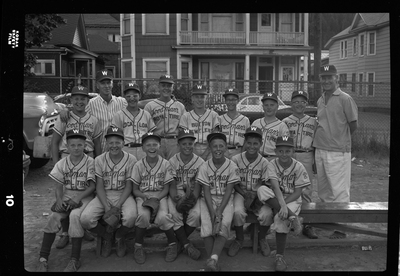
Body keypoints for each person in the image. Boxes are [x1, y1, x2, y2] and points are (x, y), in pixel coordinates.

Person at [37, 129, 95, 272]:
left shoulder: (90, 162)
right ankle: (43, 259)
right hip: (67, 194)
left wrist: (78, 198)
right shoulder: (62, 163)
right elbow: (58, 186)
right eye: (73, 145)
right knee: (53, 217)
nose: (76, 148)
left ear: (85, 146)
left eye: (79, 145)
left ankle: (74, 259)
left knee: (75, 216)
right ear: (67, 147)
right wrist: (58, 200)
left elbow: (92, 186)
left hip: (85, 195)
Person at [313, 64, 358, 239]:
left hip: (338, 151)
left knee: (339, 191)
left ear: (336, 78)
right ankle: (328, 222)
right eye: (323, 77)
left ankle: (341, 228)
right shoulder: (320, 99)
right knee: (324, 191)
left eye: (329, 77)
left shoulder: (345, 99)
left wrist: (339, 139)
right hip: (320, 149)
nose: (326, 80)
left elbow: (353, 125)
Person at [80, 127, 138, 258]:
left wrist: (117, 207)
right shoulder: (99, 159)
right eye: (111, 142)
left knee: (131, 218)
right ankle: (106, 235)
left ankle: (119, 236)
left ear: (123, 143)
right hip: (104, 194)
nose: (114, 145)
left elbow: (129, 186)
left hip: (124, 194)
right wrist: (107, 207)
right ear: (106, 143)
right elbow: (99, 186)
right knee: (85, 219)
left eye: (117, 142)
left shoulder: (131, 159)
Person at [256, 136, 310, 271]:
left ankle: (279, 256)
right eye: (281, 151)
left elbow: (298, 193)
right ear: (276, 151)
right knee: (262, 191)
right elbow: (273, 187)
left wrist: (282, 207)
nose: (284, 154)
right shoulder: (272, 164)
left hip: (291, 199)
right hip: (275, 197)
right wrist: (283, 206)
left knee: (279, 217)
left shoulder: (299, 166)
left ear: (292, 151)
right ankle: (292, 217)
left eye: (287, 151)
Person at [129, 132, 179, 264]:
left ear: (159, 146)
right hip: (143, 196)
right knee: (143, 216)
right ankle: (138, 246)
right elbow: (135, 190)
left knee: (163, 217)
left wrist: (157, 198)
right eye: (148, 145)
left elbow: (167, 188)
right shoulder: (138, 165)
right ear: (143, 148)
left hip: (160, 195)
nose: (152, 147)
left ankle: (173, 245)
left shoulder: (166, 163)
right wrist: (145, 196)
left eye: (154, 144)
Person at [196, 132, 241, 271]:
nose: (218, 149)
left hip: (225, 199)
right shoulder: (204, 166)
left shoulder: (232, 166)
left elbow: (229, 190)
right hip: (207, 200)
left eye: (221, 146)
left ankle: (213, 260)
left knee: (225, 223)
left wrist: (219, 211)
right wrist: (212, 212)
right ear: (209, 148)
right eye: (214, 146)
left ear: (226, 148)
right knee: (207, 226)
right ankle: (213, 262)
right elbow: (206, 190)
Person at [228, 126, 274, 257]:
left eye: (255, 143)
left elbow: (266, 184)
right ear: (244, 142)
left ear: (261, 144)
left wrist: (255, 196)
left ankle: (262, 238)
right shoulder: (236, 159)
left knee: (267, 214)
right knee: (237, 212)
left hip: (258, 195)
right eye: (249, 142)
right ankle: (239, 239)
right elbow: (233, 183)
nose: (252, 146)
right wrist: (244, 194)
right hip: (240, 192)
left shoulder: (264, 162)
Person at [59, 70, 128, 153]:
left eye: (108, 82)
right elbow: (78, 109)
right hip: (100, 150)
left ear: (112, 83)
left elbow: (135, 106)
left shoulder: (122, 102)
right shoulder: (91, 104)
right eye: (103, 83)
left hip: (118, 150)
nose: (106, 86)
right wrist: (65, 109)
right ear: (97, 85)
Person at [282, 90, 318, 239]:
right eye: (296, 101)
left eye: (302, 101)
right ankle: (292, 220)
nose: (299, 104)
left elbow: (316, 142)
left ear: (306, 104)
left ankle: (307, 224)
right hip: (290, 155)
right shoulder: (285, 121)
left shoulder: (313, 121)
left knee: (306, 190)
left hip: (306, 154)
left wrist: (315, 160)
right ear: (291, 104)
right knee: (289, 188)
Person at [168, 129, 204, 260]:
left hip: (194, 194)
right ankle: (186, 244)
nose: (187, 146)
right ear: (178, 144)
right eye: (184, 144)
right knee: (174, 213)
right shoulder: (172, 161)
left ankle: (178, 244)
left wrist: (192, 199)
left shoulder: (200, 162)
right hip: (176, 192)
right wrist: (173, 197)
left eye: (190, 143)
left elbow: (200, 184)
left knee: (196, 214)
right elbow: (171, 184)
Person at [51, 84, 102, 164]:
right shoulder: (64, 118)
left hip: (88, 157)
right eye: (76, 99)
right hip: (67, 157)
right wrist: (55, 164)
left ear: (87, 101)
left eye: (82, 99)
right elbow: (55, 142)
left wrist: (99, 164)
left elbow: (97, 144)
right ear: (71, 100)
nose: (79, 102)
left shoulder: (94, 120)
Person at [144, 74, 186, 160]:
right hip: (156, 141)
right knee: (157, 168)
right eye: (163, 85)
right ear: (159, 87)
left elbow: (183, 127)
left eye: (169, 86)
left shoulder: (180, 106)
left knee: (173, 168)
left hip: (174, 142)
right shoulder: (150, 106)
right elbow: (145, 128)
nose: (166, 88)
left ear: (173, 88)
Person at [111, 81, 156, 160]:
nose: (132, 98)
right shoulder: (119, 115)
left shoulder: (146, 114)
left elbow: (152, 134)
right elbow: (115, 136)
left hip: (143, 149)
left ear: (140, 96)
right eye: (128, 96)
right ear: (124, 97)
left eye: (135, 96)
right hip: (126, 149)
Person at [178, 84, 220, 160]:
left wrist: (208, 151)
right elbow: (183, 138)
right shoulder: (185, 116)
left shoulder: (213, 115)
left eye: (202, 97)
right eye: (196, 97)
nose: (199, 99)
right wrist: (193, 152)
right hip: (191, 149)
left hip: (209, 149)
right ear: (192, 99)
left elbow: (215, 137)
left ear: (206, 98)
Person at [251, 92, 289, 161]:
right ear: (263, 107)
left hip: (273, 159)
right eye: (266, 105)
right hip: (256, 158)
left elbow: (284, 147)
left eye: (272, 105)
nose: (269, 107)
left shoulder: (282, 126)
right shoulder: (256, 123)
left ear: (277, 106)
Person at [219, 88, 250, 159]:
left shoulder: (245, 120)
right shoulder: (220, 119)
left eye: (233, 99)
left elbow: (247, 139)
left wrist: (242, 153)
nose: (230, 102)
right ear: (225, 101)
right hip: (223, 151)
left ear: (238, 100)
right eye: (228, 99)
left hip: (238, 150)